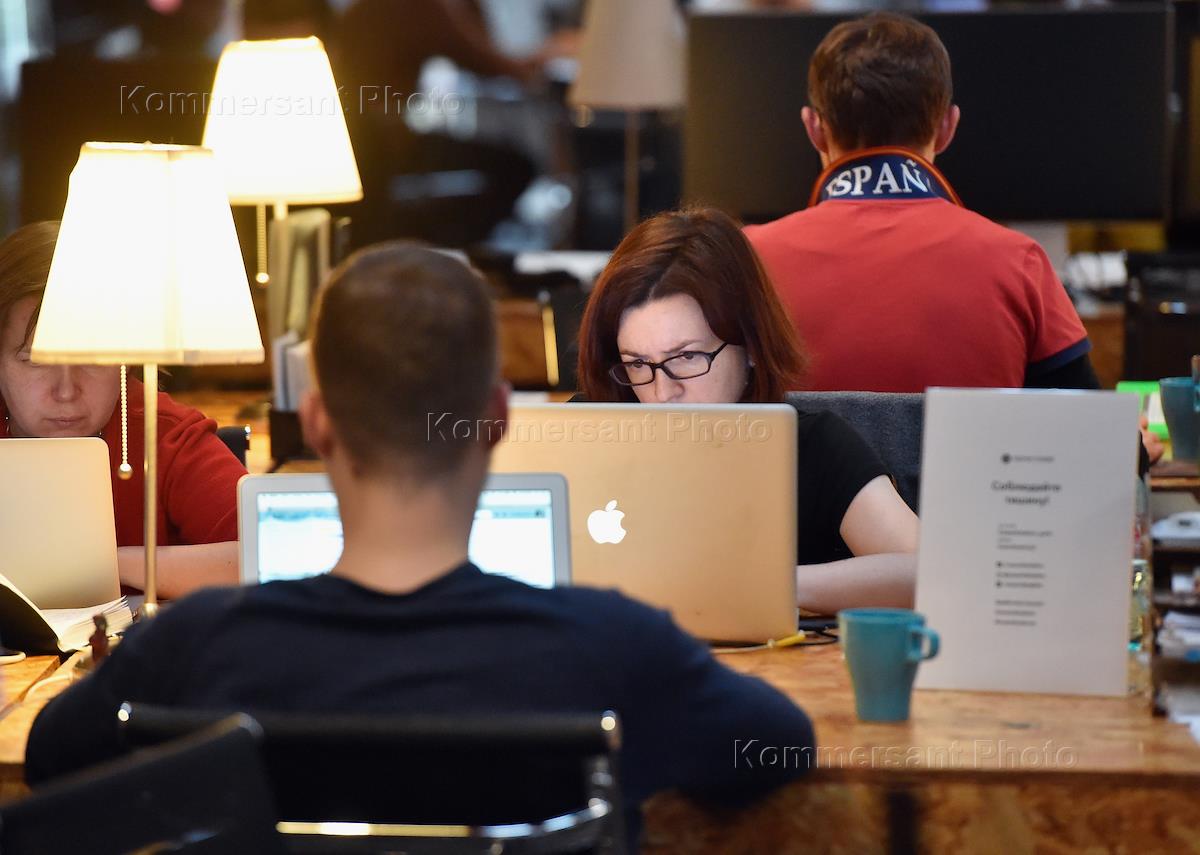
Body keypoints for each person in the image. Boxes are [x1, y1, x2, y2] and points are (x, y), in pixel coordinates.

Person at [26, 242, 815, 847]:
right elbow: (782, 747)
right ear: (497, 419)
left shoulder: (191, 646)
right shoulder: (618, 646)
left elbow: (49, 757)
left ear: (319, 422)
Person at [576, 207, 919, 614]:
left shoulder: (812, 447)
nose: (662, 392)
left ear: (752, 346)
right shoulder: (584, 431)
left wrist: (762, 585)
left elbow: (926, 571)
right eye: (636, 363)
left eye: (686, 357)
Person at [745, 12, 1099, 394]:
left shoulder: (745, 261)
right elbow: (1084, 423)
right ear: (947, 127)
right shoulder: (1020, 262)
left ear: (814, 128)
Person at [0, 221, 244, 597]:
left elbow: (269, 556)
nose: (66, 391)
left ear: (125, 358)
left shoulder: (165, 434)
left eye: (92, 359)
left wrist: (106, 564)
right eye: (35, 361)